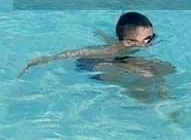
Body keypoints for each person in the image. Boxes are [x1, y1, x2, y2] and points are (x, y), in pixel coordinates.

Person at [18, 12, 174, 102]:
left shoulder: (128, 46)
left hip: (119, 62)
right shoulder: (111, 50)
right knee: (145, 73)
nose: (153, 41)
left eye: (153, 36)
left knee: (163, 67)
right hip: (91, 64)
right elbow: (77, 53)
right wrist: (38, 62)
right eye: (148, 39)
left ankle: (162, 98)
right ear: (128, 42)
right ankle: (143, 99)